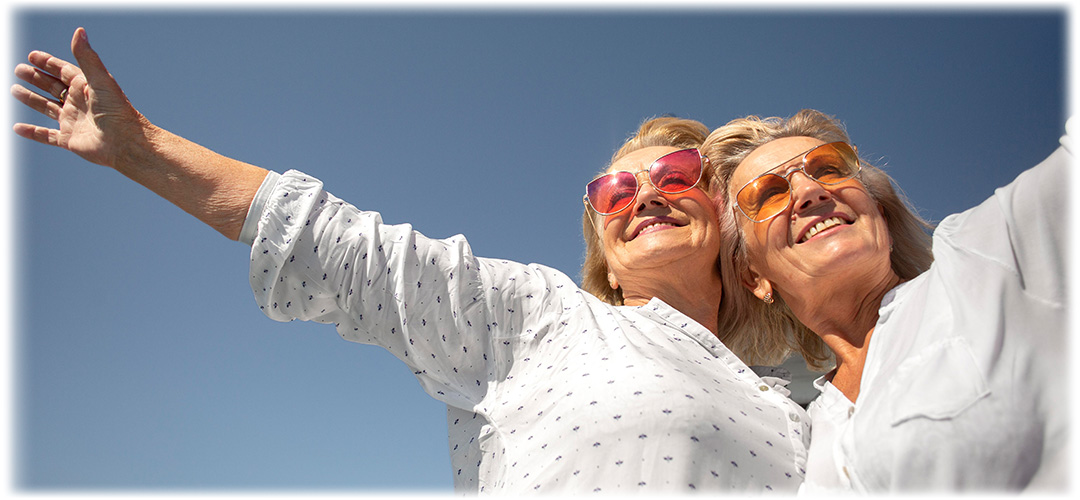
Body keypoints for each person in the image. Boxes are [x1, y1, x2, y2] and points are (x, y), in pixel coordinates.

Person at [12, 28, 811, 494]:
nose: (642, 197)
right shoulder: (541, 318)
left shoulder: (798, 412)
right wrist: (141, 150)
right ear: (600, 239)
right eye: (613, 189)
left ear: (726, 216)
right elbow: (346, 250)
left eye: (674, 177)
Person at [700, 108, 1069, 492]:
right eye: (770, 193)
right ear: (754, 276)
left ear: (880, 212)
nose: (810, 191)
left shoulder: (981, 260)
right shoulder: (805, 435)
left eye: (828, 169)